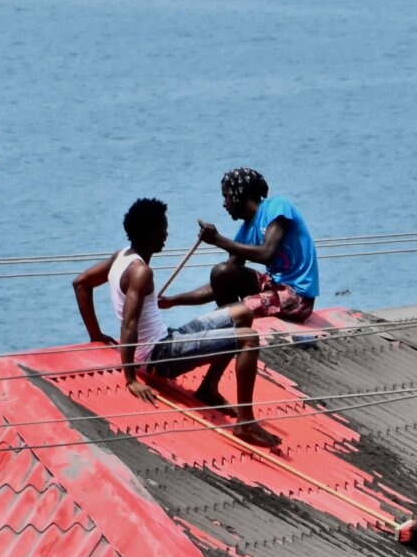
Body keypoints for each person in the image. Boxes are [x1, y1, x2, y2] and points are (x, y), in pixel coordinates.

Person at [73, 197, 282, 449]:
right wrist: (130, 378)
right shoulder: (140, 272)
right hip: (160, 356)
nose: (167, 234)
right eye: (163, 228)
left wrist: (95, 334)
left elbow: (81, 283)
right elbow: (129, 325)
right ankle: (245, 423)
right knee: (249, 337)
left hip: (168, 339)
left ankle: (208, 388)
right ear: (151, 233)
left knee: (242, 312)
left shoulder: (122, 255)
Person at [197, 167, 321, 323]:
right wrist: (172, 301)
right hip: (274, 286)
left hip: (297, 298)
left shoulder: (277, 206)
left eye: (226, 196)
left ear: (239, 193)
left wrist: (218, 240)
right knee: (222, 272)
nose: (224, 204)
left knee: (223, 315)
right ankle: (235, 325)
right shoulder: (245, 231)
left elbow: (267, 253)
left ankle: (235, 324)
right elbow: (218, 282)